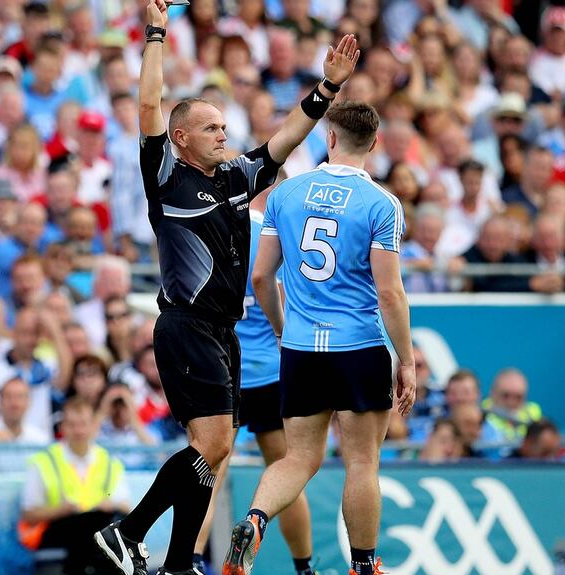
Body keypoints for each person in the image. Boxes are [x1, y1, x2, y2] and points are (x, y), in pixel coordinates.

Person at [93, 0, 360, 571]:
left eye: (224, 124)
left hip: (223, 331)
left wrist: (327, 89)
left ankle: (179, 564)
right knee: (212, 447)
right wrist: (158, 32)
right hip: (186, 326)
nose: (223, 133)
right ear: (180, 137)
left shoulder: (238, 175)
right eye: (210, 126)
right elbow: (147, 103)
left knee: (212, 452)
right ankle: (129, 531)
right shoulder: (165, 176)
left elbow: (286, 138)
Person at [225, 101, 415, 575]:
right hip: (360, 346)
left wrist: (282, 328)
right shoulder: (381, 204)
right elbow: (389, 293)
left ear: (328, 138)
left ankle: (254, 518)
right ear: (373, 144)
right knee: (361, 461)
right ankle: (365, 565)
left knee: (300, 458)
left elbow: (263, 279)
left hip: (302, 347)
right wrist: (406, 360)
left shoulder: (287, 196)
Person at [193, 194, 315, 575]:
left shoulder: (204, 229)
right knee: (286, 472)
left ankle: (192, 560)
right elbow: (281, 294)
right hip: (270, 373)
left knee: (208, 471)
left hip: (221, 369)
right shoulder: (271, 232)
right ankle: (304, 568)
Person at [20, 396, 130, 575]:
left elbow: (125, 507)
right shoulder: (43, 462)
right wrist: (61, 510)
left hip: (97, 535)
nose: (78, 430)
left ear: (94, 426)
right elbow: (29, 514)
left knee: (102, 526)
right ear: (63, 427)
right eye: (72, 424)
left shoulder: (110, 462)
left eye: (83, 424)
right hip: (58, 534)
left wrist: (111, 504)